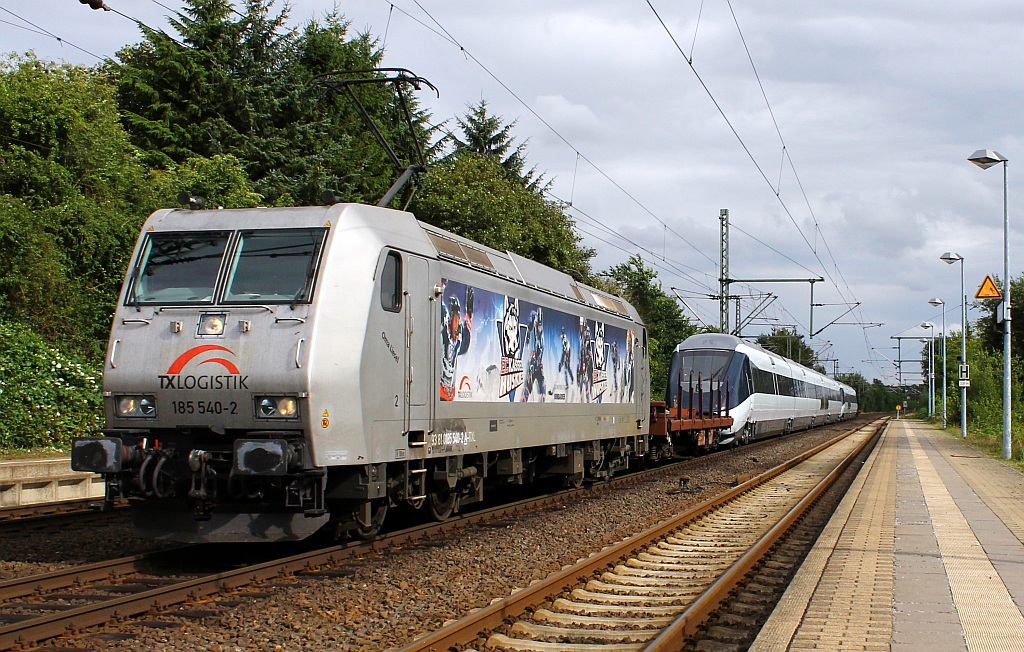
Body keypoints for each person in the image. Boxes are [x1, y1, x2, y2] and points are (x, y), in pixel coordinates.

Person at [439, 283, 474, 401]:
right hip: (439, 391)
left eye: (459, 319)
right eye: (456, 318)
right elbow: (441, 310)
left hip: (449, 394)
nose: (458, 324)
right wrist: (441, 287)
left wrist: (469, 313)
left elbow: (465, 344)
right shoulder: (443, 335)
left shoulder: (457, 344)